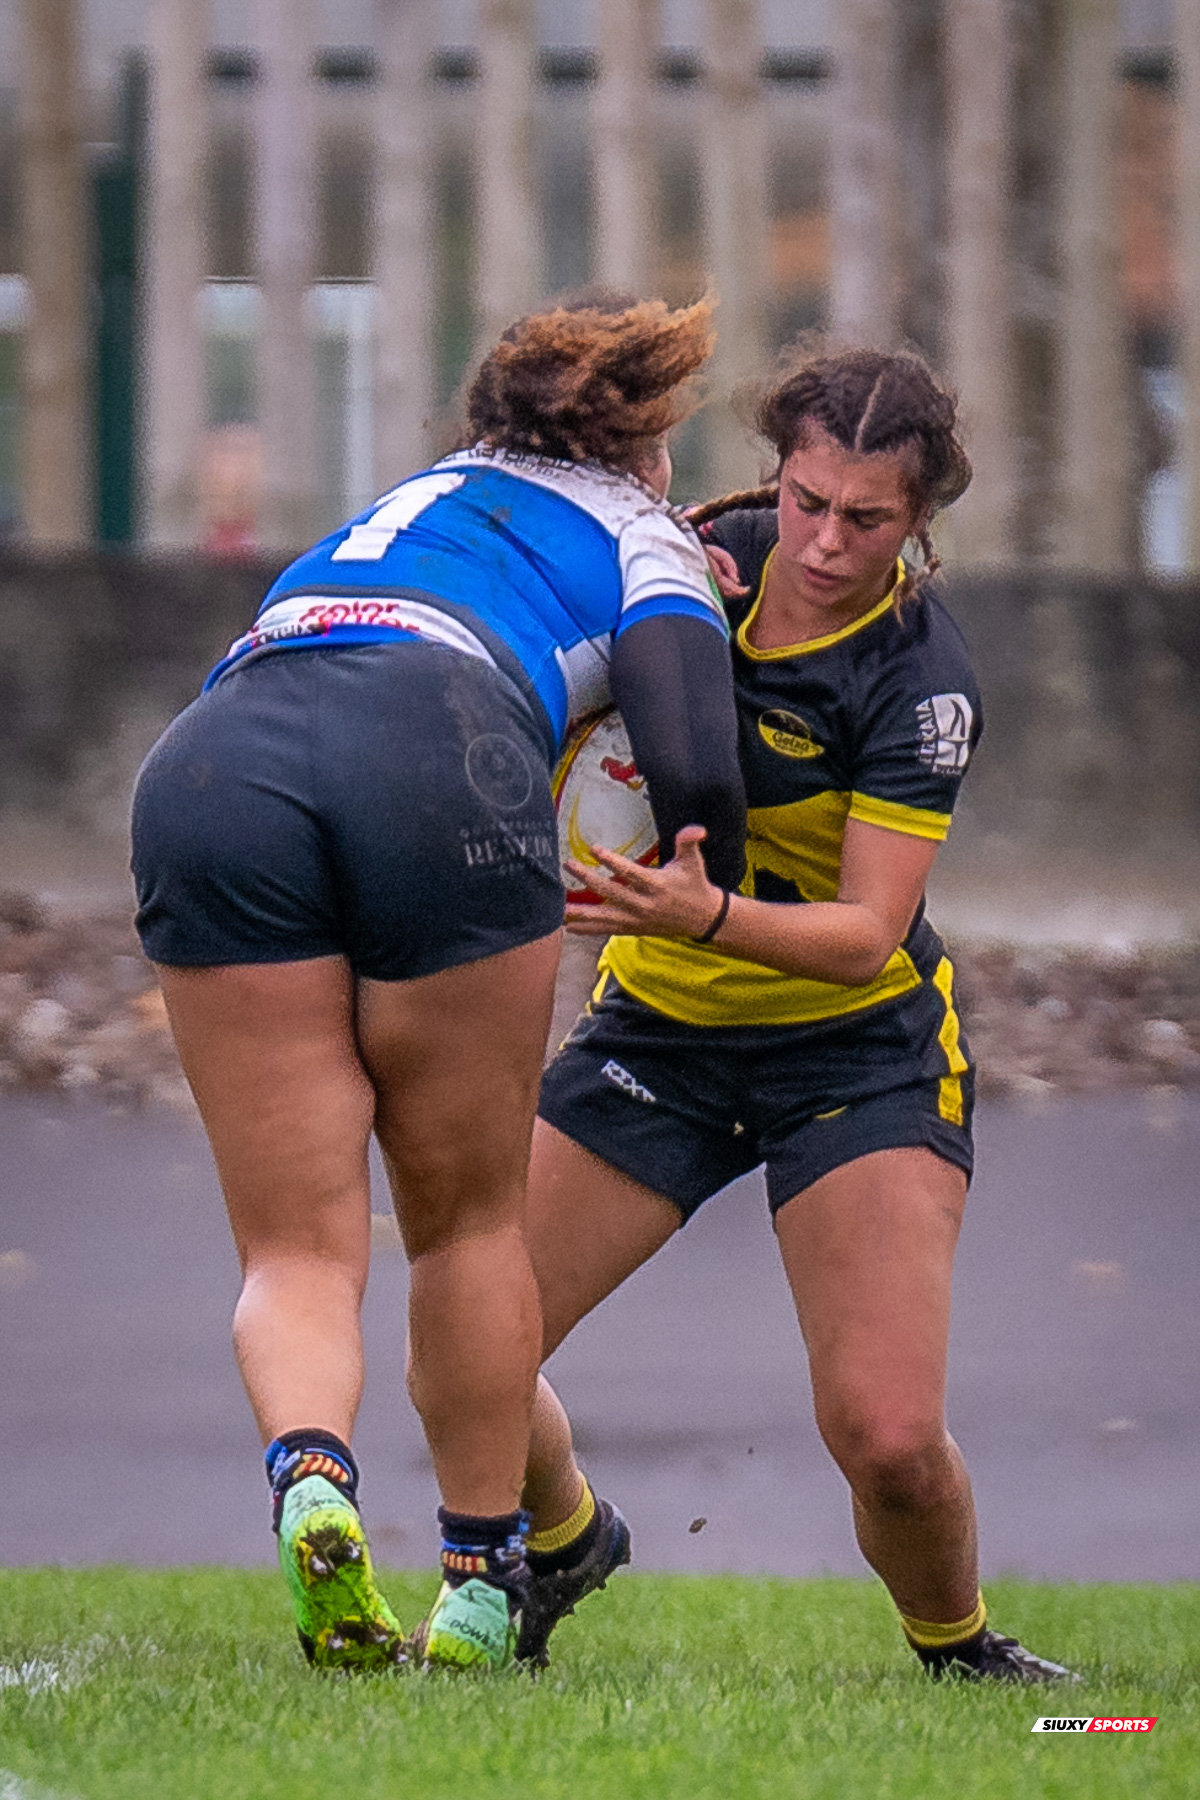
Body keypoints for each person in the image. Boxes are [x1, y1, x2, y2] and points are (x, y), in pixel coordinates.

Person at [130, 297, 746, 1675]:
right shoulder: (646, 529)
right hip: (441, 753)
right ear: (641, 448)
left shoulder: (410, 501)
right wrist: (673, 871)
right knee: (465, 1226)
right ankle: (477, 1585)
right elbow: (701, 772)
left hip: (213, 759)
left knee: (295, 1245)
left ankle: (311, 1485)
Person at [512, 346, 1074, 1683]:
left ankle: (959, 1648)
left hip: (857, 1051)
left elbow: (864, 935)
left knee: (885, 1434)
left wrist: (696, 915)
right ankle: (564, 1538)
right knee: (464, 1347)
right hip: (658, 1036)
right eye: (807, 501)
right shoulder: (694, 557)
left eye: (866, 520)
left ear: (921, 520)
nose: (824, 542)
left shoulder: (917, 682)